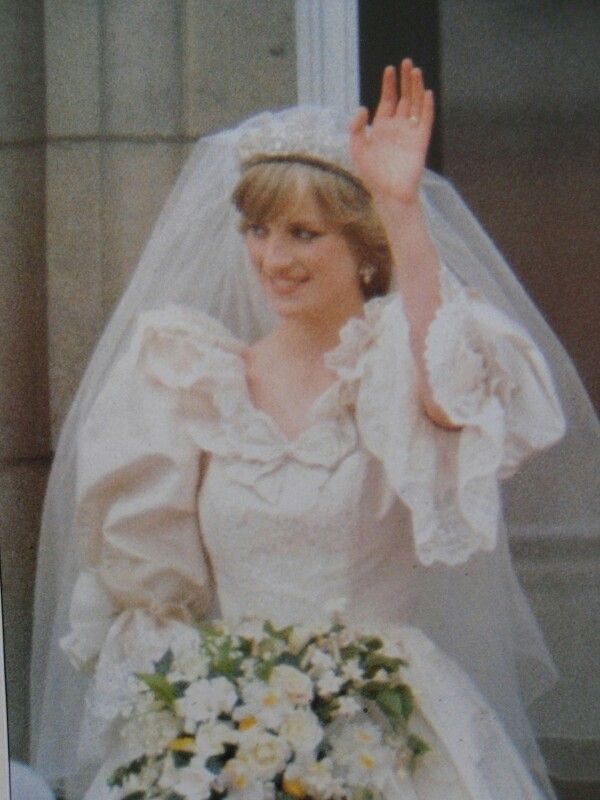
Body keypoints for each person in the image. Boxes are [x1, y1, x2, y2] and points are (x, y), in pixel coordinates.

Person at [29, 61, 598, 799]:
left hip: (384, 734)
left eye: (305, 233)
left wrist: (400, 207)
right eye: (259, 230)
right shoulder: (190, 381)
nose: (274, 258)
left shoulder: (394, 371)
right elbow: (151, 598)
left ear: (365, 250)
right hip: (222, 732)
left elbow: (449, 393)